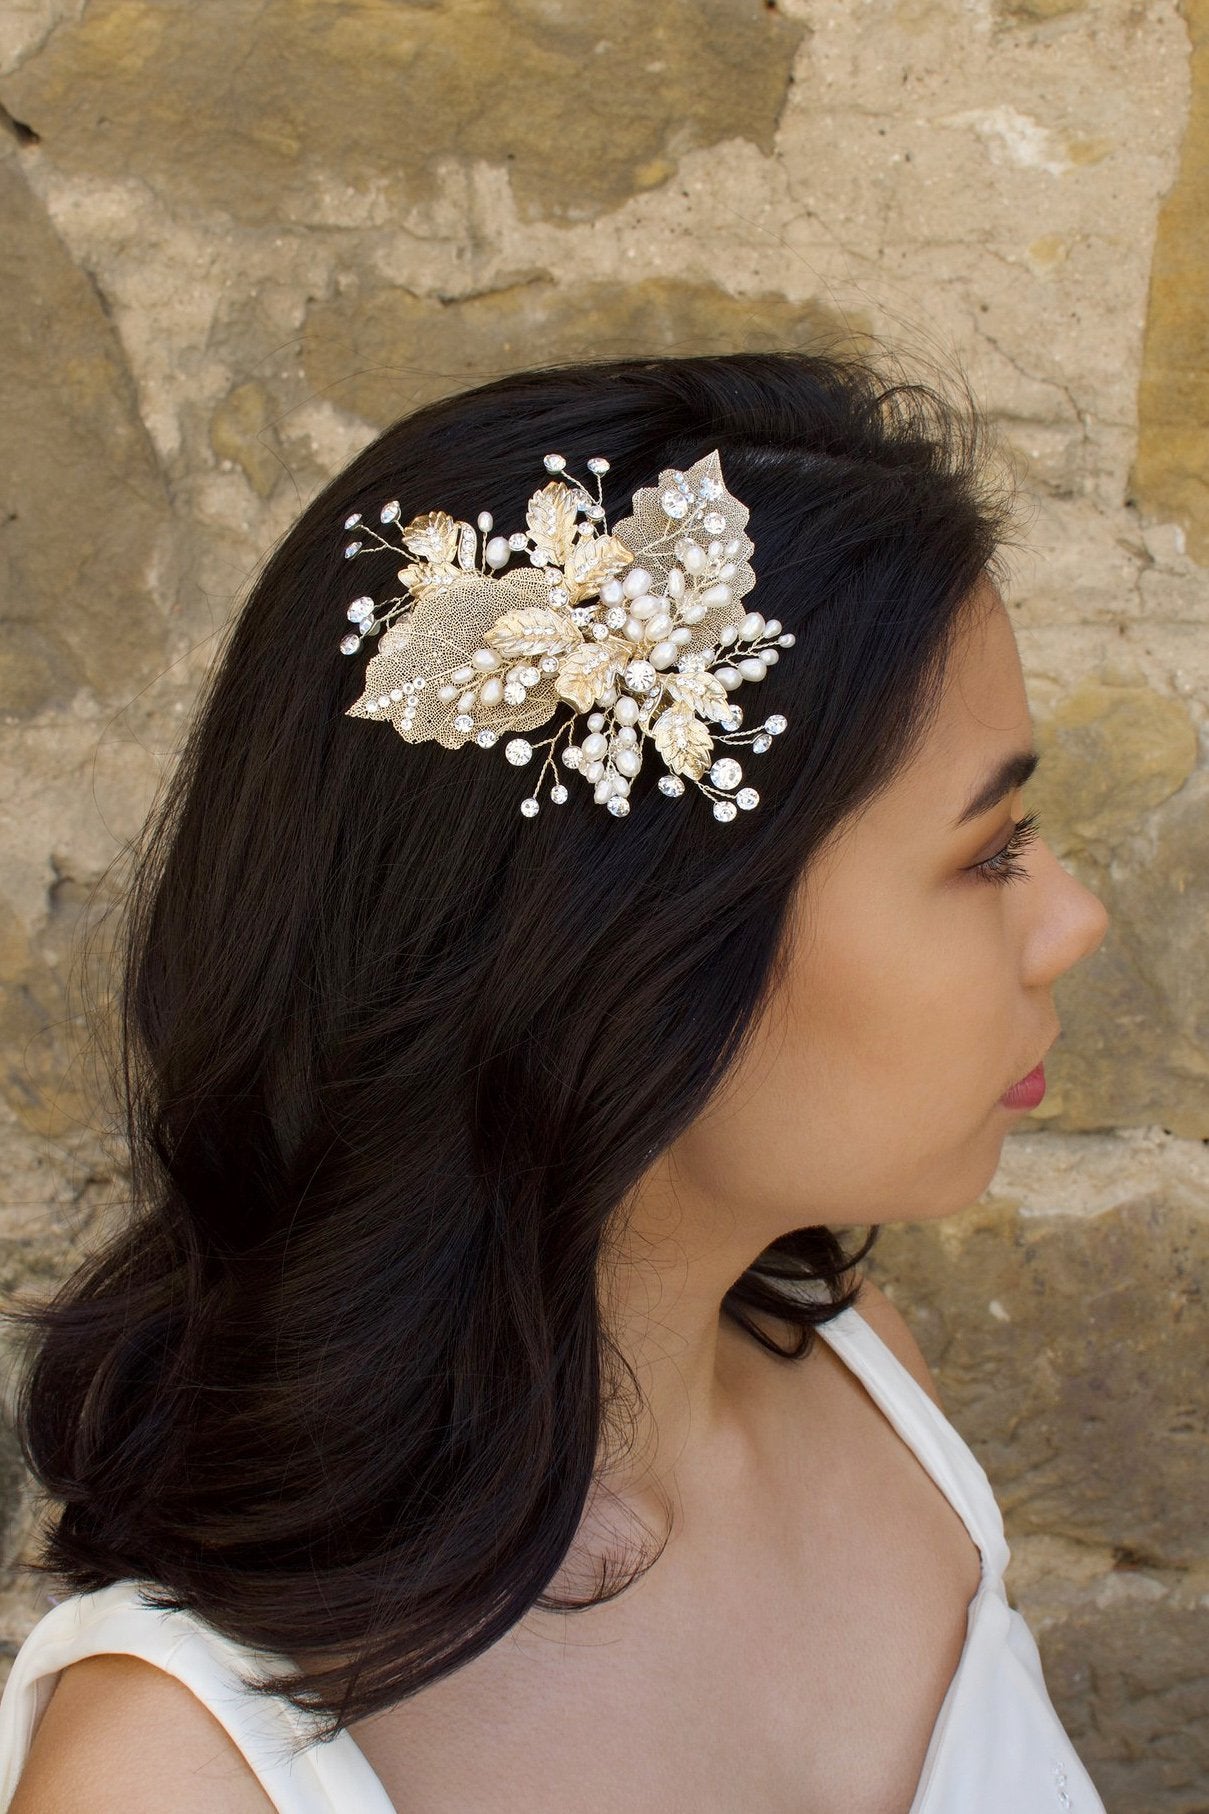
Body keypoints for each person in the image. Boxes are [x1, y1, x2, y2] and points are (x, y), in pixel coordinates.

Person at [0, 346, 1110, 1811]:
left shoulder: (863, 1384)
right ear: (631, 955)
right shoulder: (181, 1774)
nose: (1073, 918)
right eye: (985, 849)